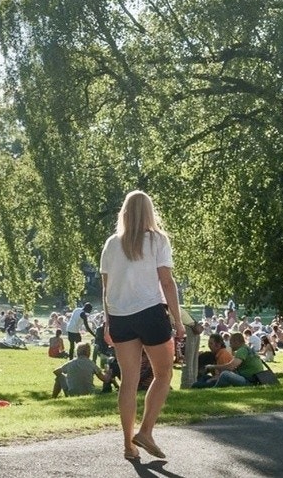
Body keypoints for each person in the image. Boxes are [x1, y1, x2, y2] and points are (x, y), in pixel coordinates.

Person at [99, 190, 183, 461]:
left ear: (123, 213)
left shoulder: (112, 244)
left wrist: (108, 323)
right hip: (150, 312)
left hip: (120, 316)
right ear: (150, 213)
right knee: (163, 374)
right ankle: (145, 431)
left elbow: (105, 289)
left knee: (129, 381)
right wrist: (178, 321)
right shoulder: (158, 240)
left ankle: (128, 445)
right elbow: (167, 283)